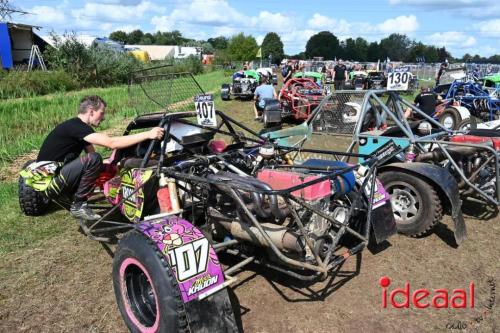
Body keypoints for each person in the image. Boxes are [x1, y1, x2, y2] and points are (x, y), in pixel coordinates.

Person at [37, 95, 164, 220]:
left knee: (99, 162)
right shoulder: (76, 126)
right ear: (91, 111)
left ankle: (75, 198)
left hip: (50, 178)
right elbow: (111, 143)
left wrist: (112, 164)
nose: (103, 118)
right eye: (102, 113)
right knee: (94, 158)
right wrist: (148, 134)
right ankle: (79, 204)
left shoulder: (80, 130)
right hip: (49, 181)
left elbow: (95, 157)